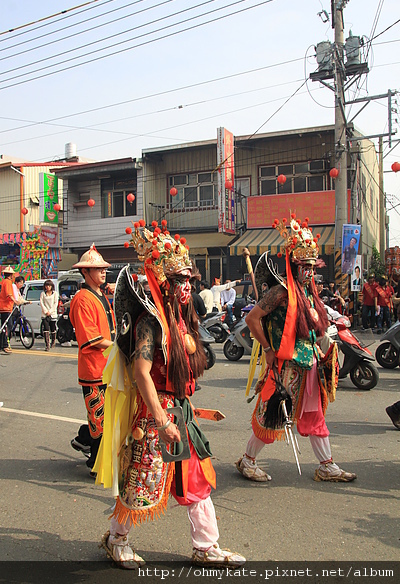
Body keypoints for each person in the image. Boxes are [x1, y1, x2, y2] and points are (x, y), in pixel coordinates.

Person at [95, 222, 245, 568]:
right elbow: (141, 373)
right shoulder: (151, 322)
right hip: (155, 414)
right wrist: (162, 422)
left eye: (189, 279)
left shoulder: (179, 317)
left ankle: (206, 545)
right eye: (180, 280)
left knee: (196, 477)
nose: (187, 286)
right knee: (143, 480)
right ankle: (117, 538)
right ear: (163, 281)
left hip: (182, 410)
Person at [236, 215, 356, 483]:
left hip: (309, 366)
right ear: (294, 265)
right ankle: (247, 461)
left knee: (314, 415)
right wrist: (267, 348)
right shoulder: (280, 293)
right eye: (304, 266)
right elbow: (252, 319)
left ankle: (327, 465)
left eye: (312, 266)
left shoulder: (309, 293)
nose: (309, 272)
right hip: (285, 366)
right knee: (273, 414)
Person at [69, 244, 116, 477]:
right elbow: (90, 339)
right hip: (93, 369)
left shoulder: (100, 294)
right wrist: (118, 347)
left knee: (107, 417)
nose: (103, 272)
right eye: (97, 269)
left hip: (107, 367)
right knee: (99, 420)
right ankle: (96, 465)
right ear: (85, 272)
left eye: (103, 268)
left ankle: (82, 438)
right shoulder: (82, 299)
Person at [40, 280, 59, 351]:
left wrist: (50, 312)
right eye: (46, 285)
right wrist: (46, 311)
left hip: (52, 314)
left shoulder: (55, 294)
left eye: (49, 286)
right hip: (45, 314)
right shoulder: (43, 294)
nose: (48, 287)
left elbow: (55, 304)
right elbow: (42, 303)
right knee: (46, 329)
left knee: (53, 328)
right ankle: (47, 344)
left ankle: (53, 341)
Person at [0, 266, 15, 354]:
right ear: (10, 275)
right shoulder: (8, 282)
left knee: (3, 326)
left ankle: (2, 344)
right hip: (6, 307)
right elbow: (9, 294)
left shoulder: (3, 282)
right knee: (7, 327)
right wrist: (15, 301)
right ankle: (5, 345)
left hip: (2, 306)